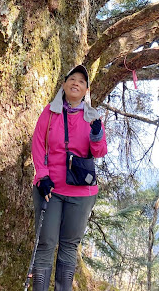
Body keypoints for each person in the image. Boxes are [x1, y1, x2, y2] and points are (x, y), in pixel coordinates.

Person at [31, 65, 108, 291]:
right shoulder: (50, 112)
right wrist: (41, 175)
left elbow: (99, 152)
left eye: (81, 82)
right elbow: (38, 144)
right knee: (45, 244)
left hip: (81, 193)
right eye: (72, 79)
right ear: (63, 85)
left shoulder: (93, 117)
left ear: (86, 91)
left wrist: (96, 134)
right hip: (50, 189)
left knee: (69, 246)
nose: (76, 83)